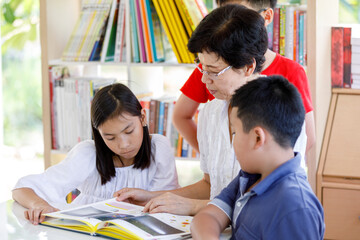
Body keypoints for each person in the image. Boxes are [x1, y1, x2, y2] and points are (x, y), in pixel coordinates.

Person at [114, 4, 268, 215]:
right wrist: (153, 197)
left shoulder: (277, 114)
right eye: (201, 68)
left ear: (248, 67)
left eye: (213, 71)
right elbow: (210, 185)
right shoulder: (211, 113)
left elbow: (266, 201)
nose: (205, 80)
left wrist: (193, 207)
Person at [172, 0, 315, 166]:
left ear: (266, 17)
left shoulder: (290, 71)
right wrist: (217, 156)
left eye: (241, 15)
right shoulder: (210, 68)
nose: (228, 26)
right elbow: (181, 115)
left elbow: (306, 137)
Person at [12, 83, 179, 225]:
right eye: (110, 137)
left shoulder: (158, 149)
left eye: (129, 131)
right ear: (99, 134)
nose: (123, 144)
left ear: (143, 118)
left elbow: (170, 205)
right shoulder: (88, 153)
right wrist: (38, 204)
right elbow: (21, 189)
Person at [190, 76, 324, 240]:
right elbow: (207, 216)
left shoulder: (296, 208)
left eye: (235, 133)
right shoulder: (249, 177)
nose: (233, 141)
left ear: (258, 138)